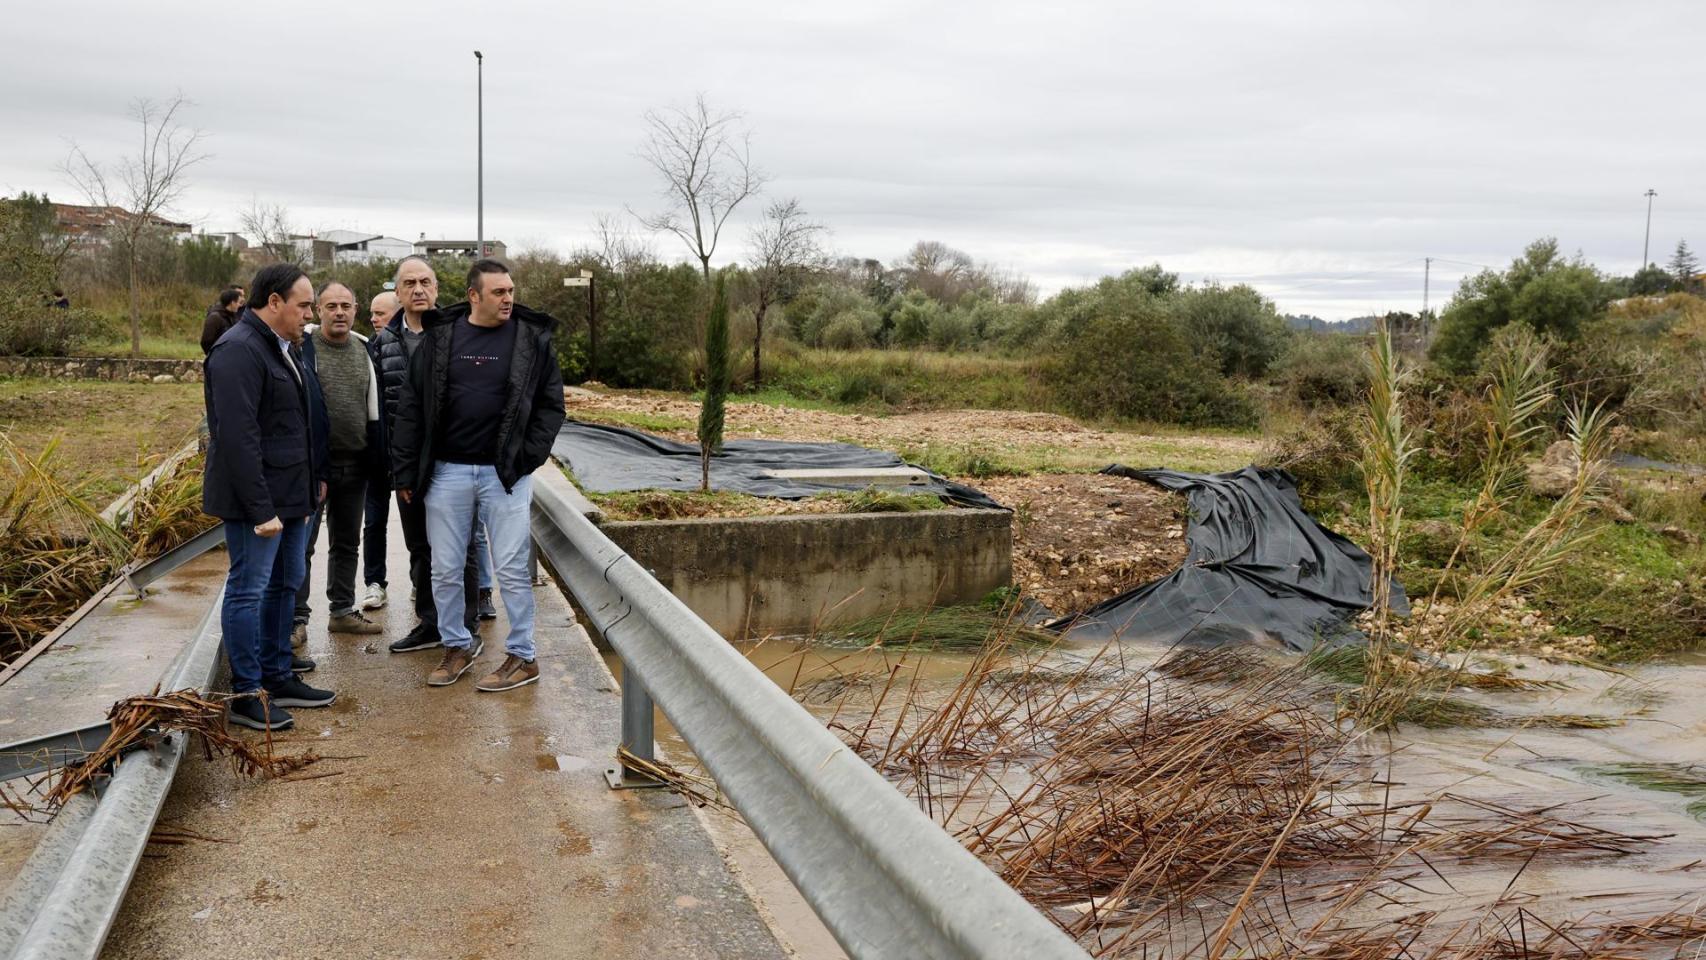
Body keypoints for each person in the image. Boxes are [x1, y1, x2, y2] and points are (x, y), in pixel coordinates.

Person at [392, 258, 564, 691]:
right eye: (499, 292)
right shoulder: (442, 336)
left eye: (511, 291)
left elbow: (551, 406)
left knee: (510, 570)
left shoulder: (532, 340)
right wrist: (406, 471)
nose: (508, 299)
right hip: (447, 472)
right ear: (474, 296)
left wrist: (528, 458)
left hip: (504, 475)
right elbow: (412, 406)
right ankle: (457, 647)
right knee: (445, 568)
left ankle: (523, 656)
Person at [202, 264, 336, 730]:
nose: (309, 314)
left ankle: (277, 675)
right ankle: (245, 693)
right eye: (303, 305)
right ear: (274, 302)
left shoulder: (281, 347)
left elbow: (297, 421)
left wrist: (313, 480)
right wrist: (261, 510)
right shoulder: (238, 350)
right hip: (257, 501)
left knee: (285, 583)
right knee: (248, 590)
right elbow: (237, 437)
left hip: (291, 494)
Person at [371, 257, 478, 653]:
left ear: (436, 289)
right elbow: (382, 409)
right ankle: (431, 622)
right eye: (409, 283)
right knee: (420, 547)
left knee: (459, 548)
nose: (418, 289)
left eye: (425, 282)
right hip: (408, 465)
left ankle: (467, 626)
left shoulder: (460, 335)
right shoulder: (383, 344)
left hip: (454, 461)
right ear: (397, 293)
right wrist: (395, 469)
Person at [292, 282, 386, 637]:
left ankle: (342, 611)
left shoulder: (365, 351)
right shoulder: (303, 350)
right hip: (314, 466)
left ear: (355, 309)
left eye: (345, 305)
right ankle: (296, 620)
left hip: (356, 464)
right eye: (331, 306)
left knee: (347, 542)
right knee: (302, 546)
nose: (339, 312)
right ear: (318, 310)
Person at [360, 290, 401, 611]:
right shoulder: (365, 351)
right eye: (372, 314)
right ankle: (375, 583)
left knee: (420, 528)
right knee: (373, 523)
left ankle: (421, 583)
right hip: (374, 456)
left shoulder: (411, 348)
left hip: (404, 456)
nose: (373, 319)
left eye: (380, 314)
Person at [201, 286, 246, 355]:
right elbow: (206, 342)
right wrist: (214, 356)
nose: (239, 305)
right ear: (232, 303)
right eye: (237, 302)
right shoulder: (215, 317)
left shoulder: (234, 317)